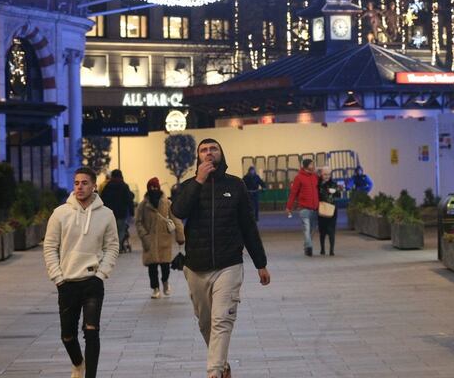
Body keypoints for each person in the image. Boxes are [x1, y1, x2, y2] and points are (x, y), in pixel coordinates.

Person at [172, 138, 271, 378]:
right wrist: (199, 181)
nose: (208, 153)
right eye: (203, 150)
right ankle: (222, 365)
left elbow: (248, 226)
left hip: (229, 264)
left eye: (213, 149)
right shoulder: (188, 186)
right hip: (196, 266)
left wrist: (261, 264)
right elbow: (178, 211)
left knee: (221, 320)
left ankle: (213, 372)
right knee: (206, 323)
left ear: (221, 154)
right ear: (198, 157)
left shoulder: (236, 185)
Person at [42, 167, 120, 378]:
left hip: (92, 282)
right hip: (66, 282)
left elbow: (112, 246)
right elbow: (49, 247)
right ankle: (78, 363)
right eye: (76, 183)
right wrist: (58, 277)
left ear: (94, 185)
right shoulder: (60, 214)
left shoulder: (106, 215)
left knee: (92, 332)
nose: (80, 187)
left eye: (85, 183)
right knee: (67, 335)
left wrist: (101, 274)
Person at [135, 177, 185, 299]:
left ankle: (165, 283)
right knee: (152, 268)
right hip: (150, 240)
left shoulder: (167, 203)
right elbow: (138, 222)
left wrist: (180, 235)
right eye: (151, 188)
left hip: (164, 240)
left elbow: (175, 218)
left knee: (165, 266)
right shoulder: (143, 205)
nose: (153, 190)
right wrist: (144, 236)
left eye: (155, 187)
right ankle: (155, 288)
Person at [286, 159, 320, 256]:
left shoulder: (315, 177)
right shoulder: (299, 178)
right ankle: (309, 247)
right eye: (311, 164)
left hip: (315, 208)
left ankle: (306, 244)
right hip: (304, 208)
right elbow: (293, 193)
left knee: (313, 228)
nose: (313, 166)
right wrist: (289, 207)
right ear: (306, 166)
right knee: (306, 228)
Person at [100, 169, 134, 253]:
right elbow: (129, 199)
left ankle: (111, 247)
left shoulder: (108, 186)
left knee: (110, 232)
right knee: (121, 231)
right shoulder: (124, 186)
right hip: (121, 213)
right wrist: (132, 212)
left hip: (109, 214)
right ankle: (117, 247)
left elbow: (102, 199)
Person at [316, 167, 342, 256]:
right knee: (322, 230)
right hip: (321, 209)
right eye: (325, 174)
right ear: (321, 174)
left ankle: (331, 250)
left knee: (331, 230)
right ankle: (322, 249)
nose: (327, 176)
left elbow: (338, 194)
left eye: (329, 174)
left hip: (332, 209)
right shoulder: (318, 184)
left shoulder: (333, 184)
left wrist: (335, 191)